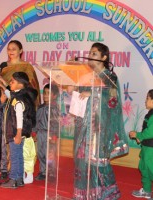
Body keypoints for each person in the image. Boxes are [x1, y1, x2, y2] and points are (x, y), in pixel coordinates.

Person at [73, 42, 128, 199]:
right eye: (90, 53)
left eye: (94, 53)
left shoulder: (110, 76)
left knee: (99, 162)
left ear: (104, 57)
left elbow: (112, 99)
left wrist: (93, 93)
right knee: (84, 161)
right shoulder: (87, 76)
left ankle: (108, 194)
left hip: (100, 127)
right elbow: (80, 95)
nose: (90, 56)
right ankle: (87, 194)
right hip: (84, 127)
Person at [0, 72, 37, 189]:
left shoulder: (18, 100)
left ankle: (14, 179)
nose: (10, 83)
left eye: (13, 81)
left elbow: (19, 118)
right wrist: (2, 84)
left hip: (16, 132)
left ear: (20, 85)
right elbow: (9, 94)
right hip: (19, 133)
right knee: (19, 156)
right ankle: (19, 179)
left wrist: (18, 134)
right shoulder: (20, 96)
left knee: (15, 157)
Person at [0, 40, 40, 106]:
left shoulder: (27, 67)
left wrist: (8, 85)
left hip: (21, 102)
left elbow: (31, 87)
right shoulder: (3, 65)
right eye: (9, 49)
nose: (11, 51)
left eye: (14, 49)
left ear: (20, 51)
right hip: (4, 101)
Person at [129, 89, 153, 199]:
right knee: (144, 168)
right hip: (146, 147)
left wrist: (138, 135)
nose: (145, 101)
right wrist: (140, 139)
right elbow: (146, 131)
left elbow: (150, 132)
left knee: (150, 168)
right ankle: (147, 191)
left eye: (147, 98)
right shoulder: (150, 114)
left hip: (151, 150)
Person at [34, 84, 59, 181]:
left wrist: (53, 136)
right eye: (44, 93)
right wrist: (34, 132)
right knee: (41, 153)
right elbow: (37, 120)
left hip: (49, 134)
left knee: (50, 154)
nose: (45, 95)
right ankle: (43, 172)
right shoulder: (40, 107)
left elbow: (55, 123)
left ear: (54, 96)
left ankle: (51, 174)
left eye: (48, 93)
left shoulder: (54, 108)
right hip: (40, 133)